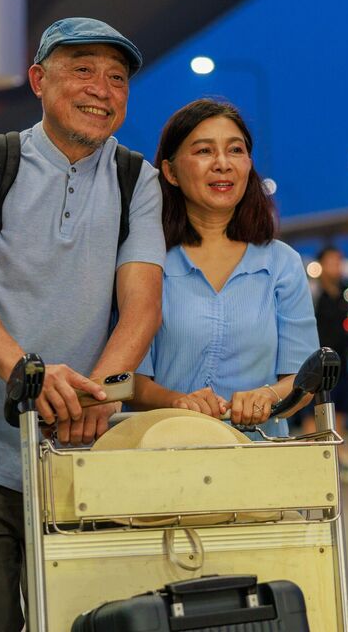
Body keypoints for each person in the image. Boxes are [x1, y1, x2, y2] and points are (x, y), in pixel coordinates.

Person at [0, 18, 166, 632]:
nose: (101, 90)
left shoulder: (137, 180)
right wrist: (27, 375)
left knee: (85, 620)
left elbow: (142, 306)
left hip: (80, 451)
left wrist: (98, 394)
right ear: (38, 80)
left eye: (117, 78)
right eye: (83, 70)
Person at [130, 99, 318, 437]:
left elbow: (301, 379)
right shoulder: (147, 261)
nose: (222, 164)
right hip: (165, 453)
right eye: (204, 151)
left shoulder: (282, 264)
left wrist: (267, 396)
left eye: (235, 150)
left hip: (259, 456)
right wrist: (178, 402)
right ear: (170, 172)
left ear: (248, 164)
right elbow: (131, 381)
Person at [300, 245, 348, 481]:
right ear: (321, 265)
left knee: (340, 413)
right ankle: (311, 462)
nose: (337, 266)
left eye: (339, 261)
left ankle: (336, 462)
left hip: (342, 366)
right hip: (318, 365)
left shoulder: (346, 295)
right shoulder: (313, 293)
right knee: (312, 413)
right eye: (332, 262)